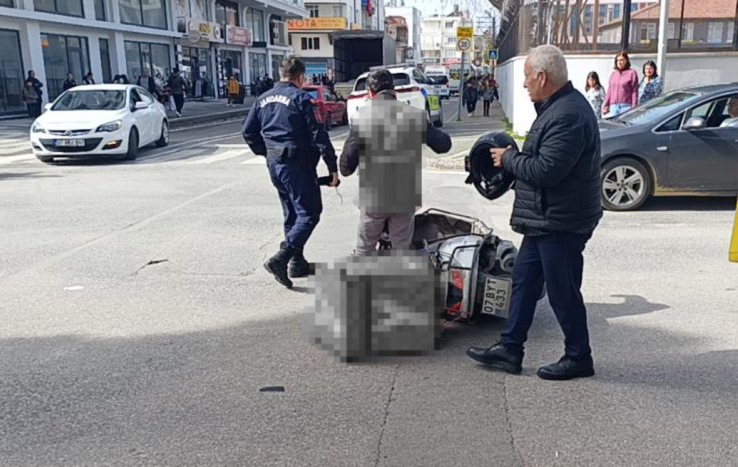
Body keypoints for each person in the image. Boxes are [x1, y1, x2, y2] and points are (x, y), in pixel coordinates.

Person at [466, 44, 603, 381]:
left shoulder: (568, 113)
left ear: (542, 77)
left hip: (562, 221)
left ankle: (578, 357)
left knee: (562, 291)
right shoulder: (556, 107)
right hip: (545, 219)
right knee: (524, 283)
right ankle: (510, 349)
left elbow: (546, 170)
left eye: (528, 77)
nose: (525, 83)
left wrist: (508, 158)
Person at [242, 57, 339, 289]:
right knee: (310, 213)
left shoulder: (263, 98)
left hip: (275, 164)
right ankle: (281, 258)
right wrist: (332, 167)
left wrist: (266, 153)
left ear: (281, 74)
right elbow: (319, 135)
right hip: (297, 164)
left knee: (292, 214)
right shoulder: (301, 98)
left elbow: (248, 132)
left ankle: (297, 263)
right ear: (301, 77)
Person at [338, 69, 452, 255]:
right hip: (404, 197)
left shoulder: (361, 118)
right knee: (402, 251)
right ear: (394, 91)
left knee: (364, 249)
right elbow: (444, 145)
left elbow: (346, 167)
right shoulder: (415, 115)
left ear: (370, 93)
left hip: (373, 198)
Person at [602, 50, 638, 119]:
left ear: (626, 61)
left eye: (622, 60)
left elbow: (634, 92)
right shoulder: (613, 74)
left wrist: (634, 108)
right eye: (617, 60)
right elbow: (610, 91)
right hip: (614, 107)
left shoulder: (632, 73)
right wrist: (606, 106)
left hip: (626, 106)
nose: (619, 62)